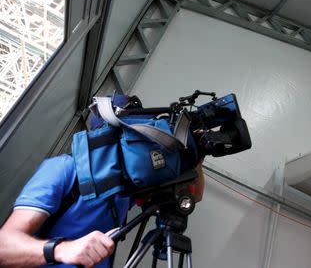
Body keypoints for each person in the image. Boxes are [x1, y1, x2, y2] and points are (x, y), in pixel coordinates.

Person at [0, 97, 205, 268]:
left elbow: (194, 195)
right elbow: (3, 248)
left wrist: (195, 155)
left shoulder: (126, 186)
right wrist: (62, 250)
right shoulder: (63, 169)